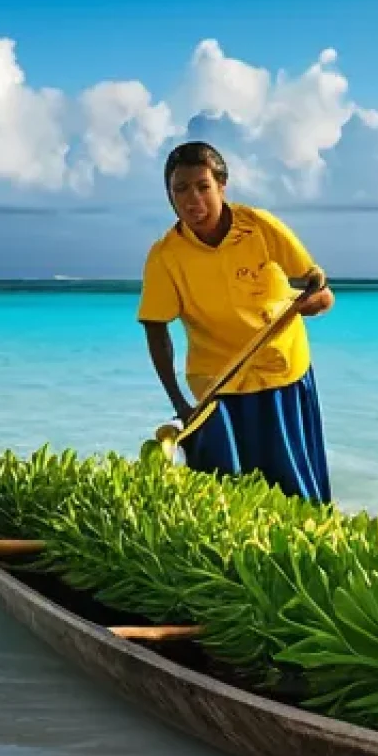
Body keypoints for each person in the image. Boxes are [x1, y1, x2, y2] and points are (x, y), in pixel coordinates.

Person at [137, 140, 334, 503]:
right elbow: (155, 328)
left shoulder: (260, 227)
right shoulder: (165, 257)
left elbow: (320, 290)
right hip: (216, 387)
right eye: (180, 189)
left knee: (294, 493)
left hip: (282, 373)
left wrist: (313, 301)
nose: (192, 199)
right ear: (169, 196)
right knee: (222, 496)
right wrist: (180, 403)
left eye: (203, 187)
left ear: (222, 186)